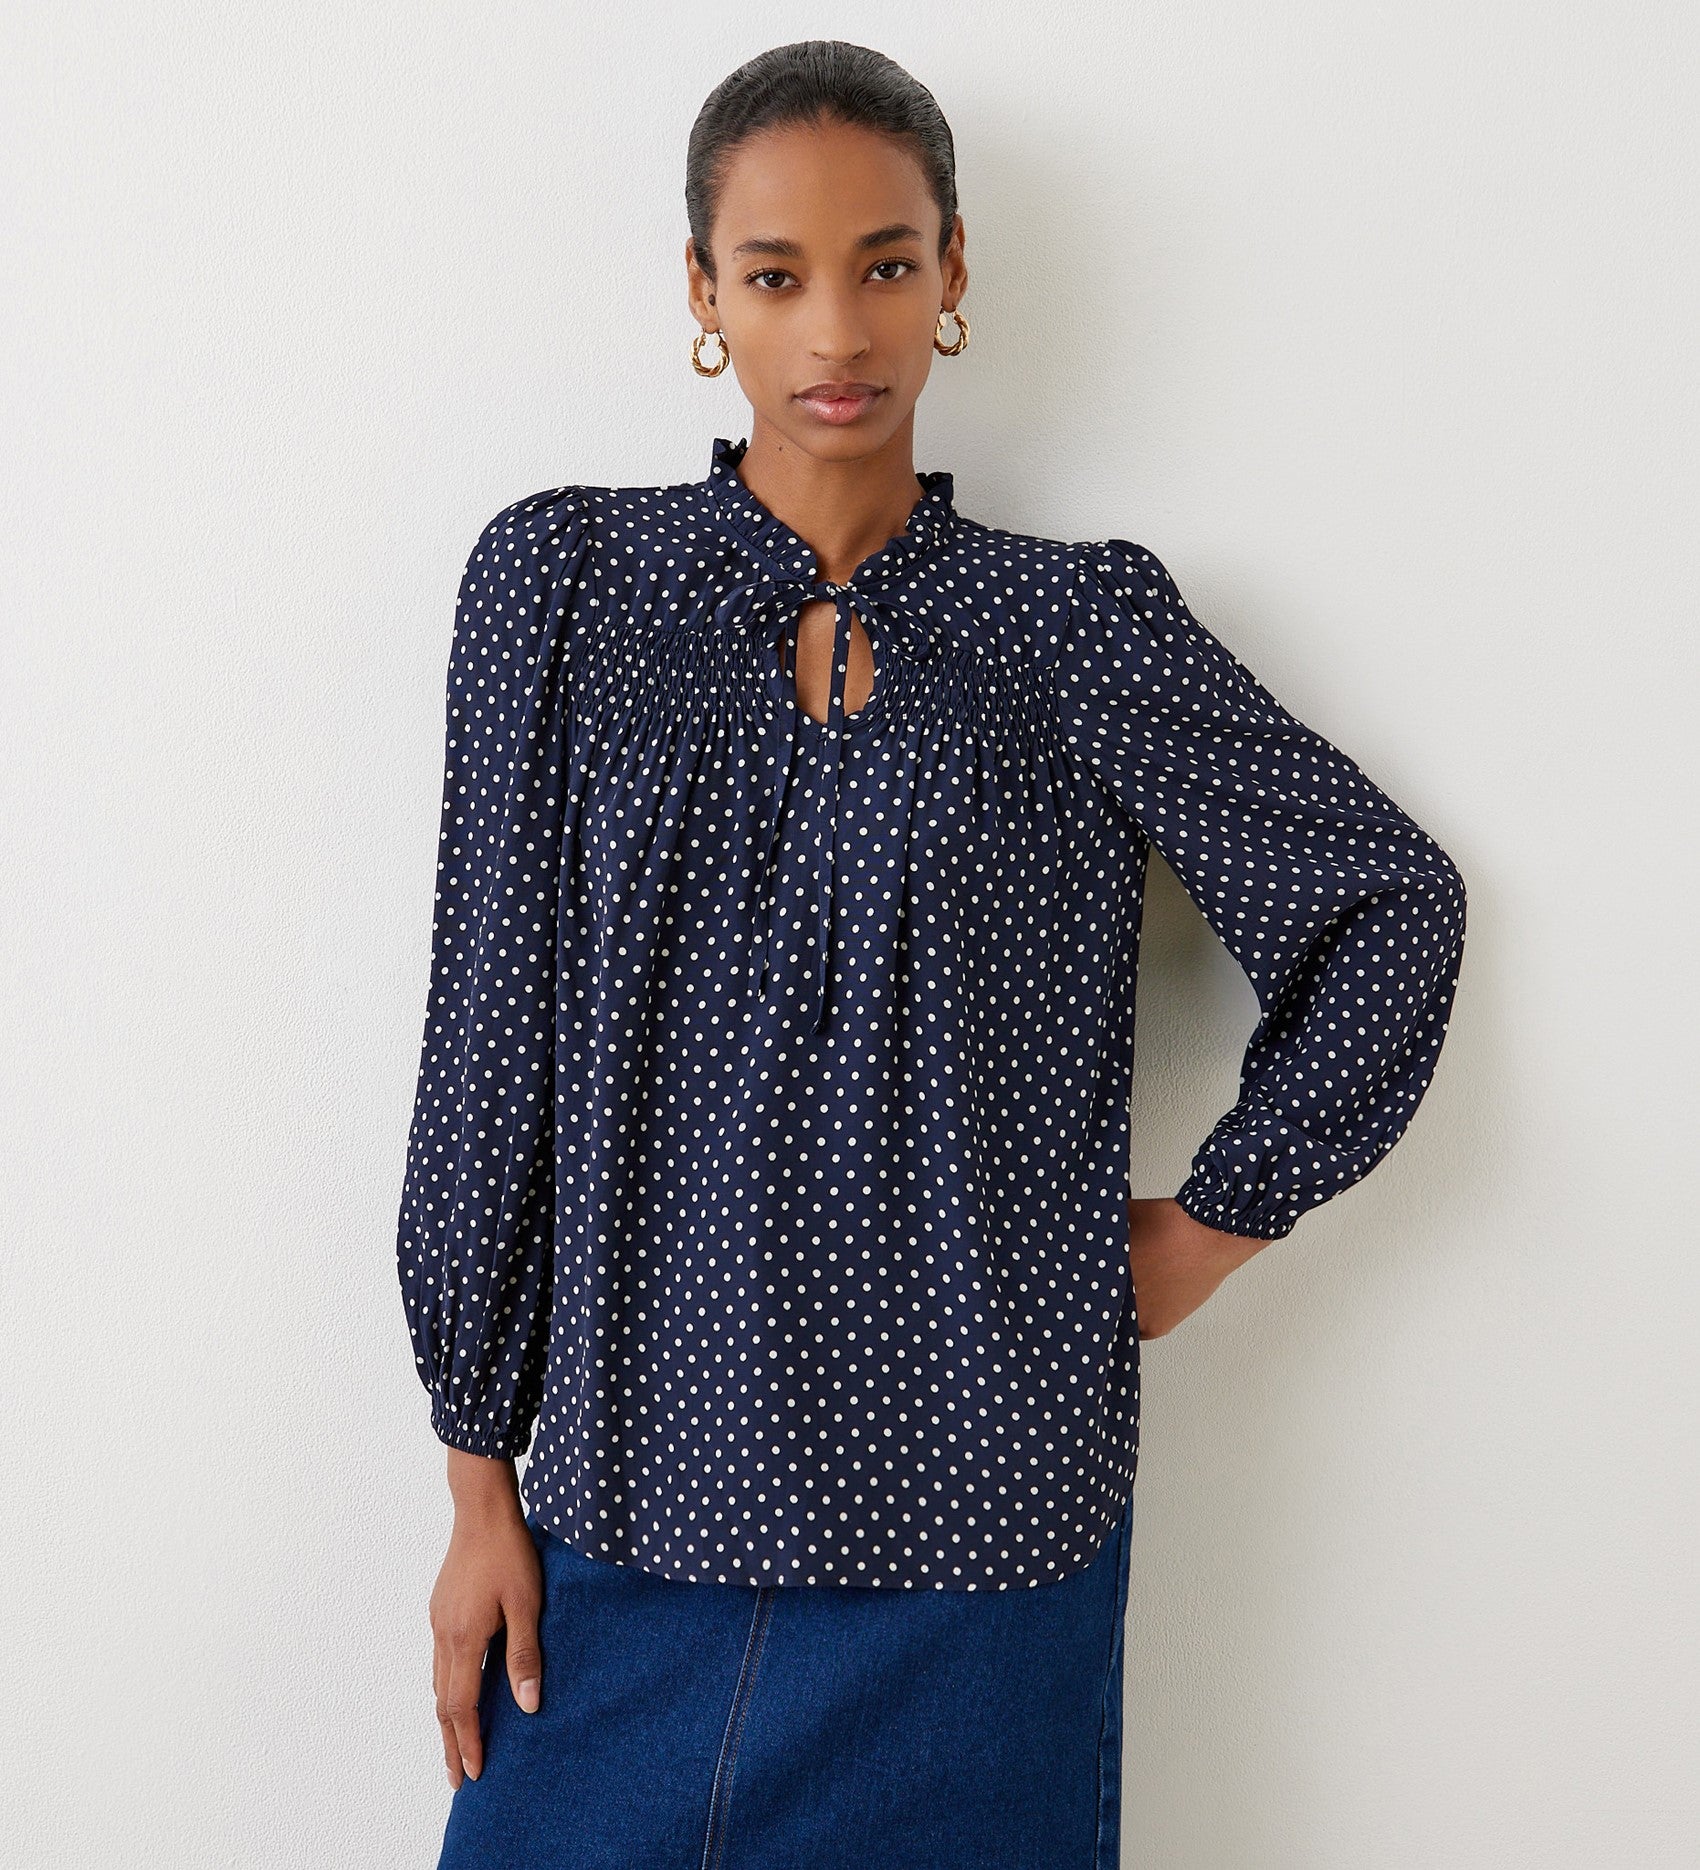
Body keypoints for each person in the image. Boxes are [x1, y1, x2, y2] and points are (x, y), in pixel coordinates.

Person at [394, 38, 1467, 1870]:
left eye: (886, 264)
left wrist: (1211, 1227)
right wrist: (474, 1475)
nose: (837, 330)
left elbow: (1387, 908)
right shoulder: (562, 590)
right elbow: (487, 1047)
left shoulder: (1074, 625)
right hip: (628, 1515)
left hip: (988, 1538)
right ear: (701, 292)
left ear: (952, 273)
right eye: (775, 274)